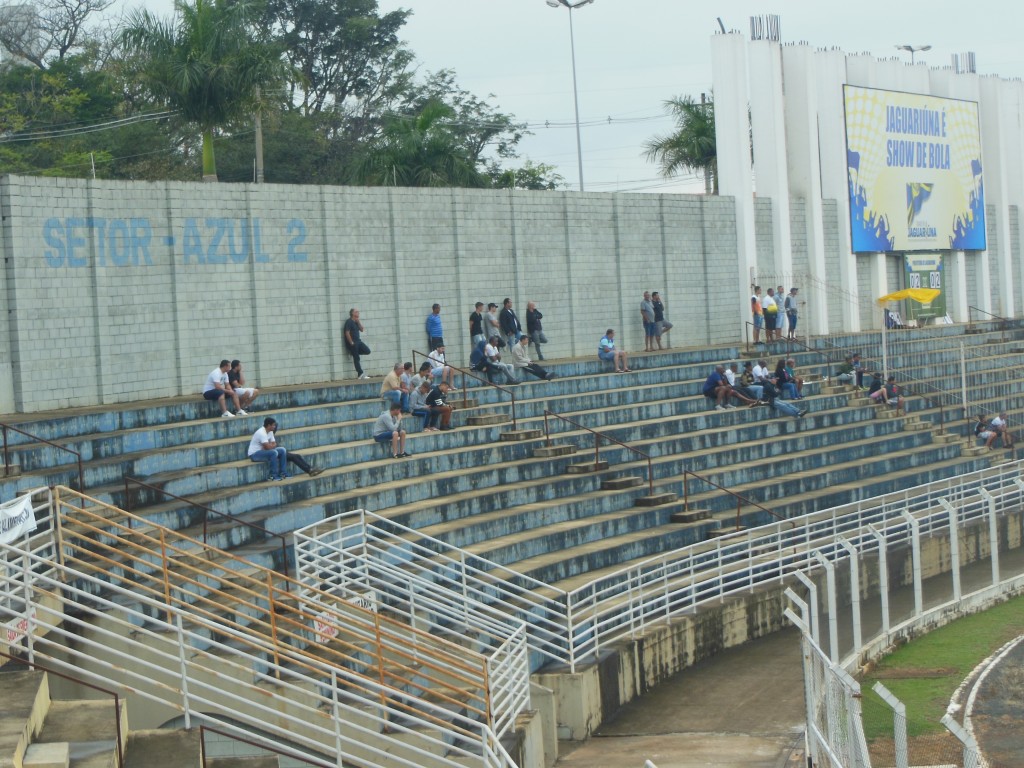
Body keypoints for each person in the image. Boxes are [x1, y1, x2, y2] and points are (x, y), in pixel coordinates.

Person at [250, 417, 323, 479]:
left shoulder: (270, 432)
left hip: (269, 451)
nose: (275, 427)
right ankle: (274, 475)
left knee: (295, 456)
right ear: (269, 425)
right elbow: (268, 447)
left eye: (275, 426)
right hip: (258, 454)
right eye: (274, 426)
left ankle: (310, 469)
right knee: (278, 453)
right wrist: (270, 446)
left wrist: (270, 446)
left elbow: (273, 444)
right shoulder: (262, 433)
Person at [344, 308, 371, 379]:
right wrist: (351, 342)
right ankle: (360, 374)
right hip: (353, 343)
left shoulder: (356, 322)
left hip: (358, 341)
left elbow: (362, 329)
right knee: (357, 358)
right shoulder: (349, 322)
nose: (358, 313)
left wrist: (358, 322)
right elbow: (347, 332)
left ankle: (353, 353)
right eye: (356, 312)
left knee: (367, 351)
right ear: (352, 314)